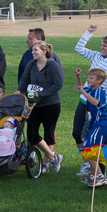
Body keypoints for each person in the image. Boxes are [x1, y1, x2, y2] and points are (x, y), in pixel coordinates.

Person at [73, 25, 107, 176]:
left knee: (94, 139)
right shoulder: (96, 56)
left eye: (105, 46)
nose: (102, 48)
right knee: (77, 133)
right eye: (101, 45)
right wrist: (88, 32)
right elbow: (79, 48)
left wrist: (105, 108)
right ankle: (87, 164)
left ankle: (99, 172)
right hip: (84, 100)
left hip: (97, 106)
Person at [16, 41, 64, 173]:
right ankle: (54, 158)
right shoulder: (31, 64)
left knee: (49, 133)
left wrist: (41, 93)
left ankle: (45, 164)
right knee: (32, 133)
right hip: (34, 104)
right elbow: (24, 79)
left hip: (51, 104)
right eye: (32, 50)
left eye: (35, 50)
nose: (33, 52)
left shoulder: (52, 64)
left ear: (44, 51)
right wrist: (19, 91)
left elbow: (58, 84)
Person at [75, 68, 107, 187]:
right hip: (95, 125)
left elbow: (95, 102)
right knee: (92, 150)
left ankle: (100, 176)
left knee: (88, 150)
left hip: (100, 124)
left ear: (99, 80)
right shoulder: (91, 90)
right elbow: (80, 88)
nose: (88, 79)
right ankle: (93, 176)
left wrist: (84, 92)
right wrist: (78, 76)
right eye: (88, 77)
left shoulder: (99, 91)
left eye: (91, 78)